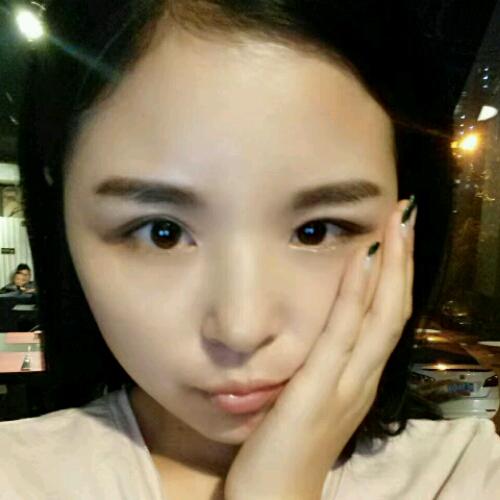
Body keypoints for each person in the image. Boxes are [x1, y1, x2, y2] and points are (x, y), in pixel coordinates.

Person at [2, 1, 498, 498]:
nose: (242, 330)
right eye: (162, 232)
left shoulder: (464, 475)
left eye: (316, 231)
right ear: (60, 205)